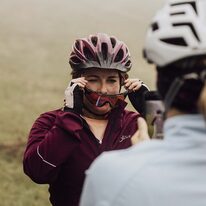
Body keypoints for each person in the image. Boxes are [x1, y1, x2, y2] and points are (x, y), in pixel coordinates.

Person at [80, 1, 206, 206]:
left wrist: (148, 157)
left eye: (112, 80)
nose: (102, 89)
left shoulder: (112, 174)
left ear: (161, 77)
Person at [23, 32, 149, 206]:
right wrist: (70, 118)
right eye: (93, 80)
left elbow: (170, 171)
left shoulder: (136, 123)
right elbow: (38, 172)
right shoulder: (50, 121)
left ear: (123, 81)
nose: (103, 90)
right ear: (76, 81)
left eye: (111, 80)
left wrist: (153, 115)